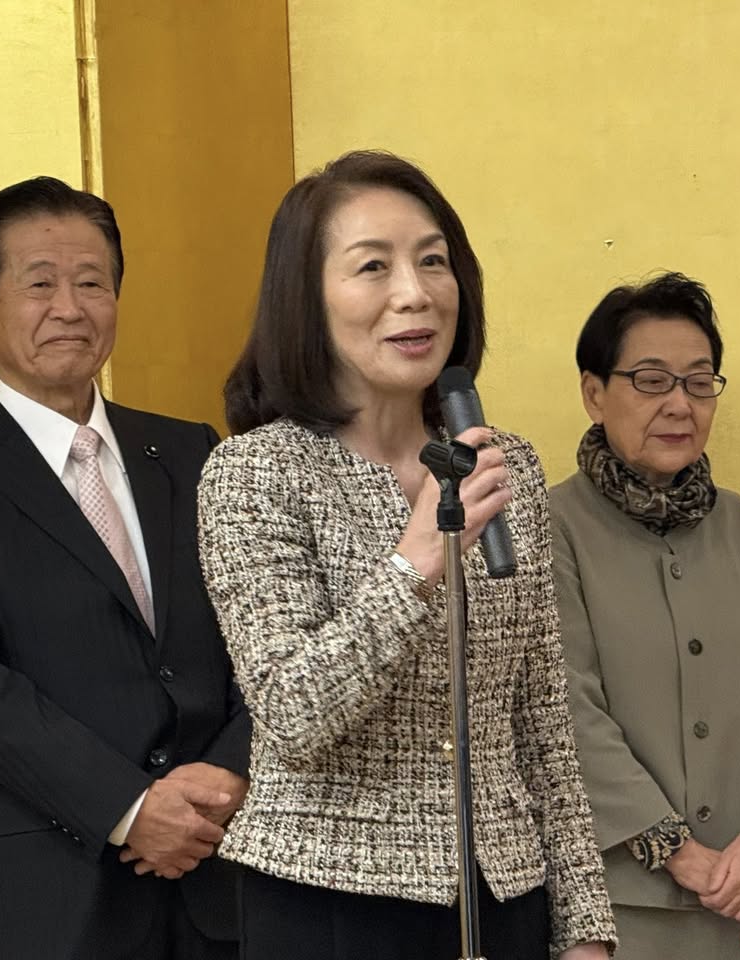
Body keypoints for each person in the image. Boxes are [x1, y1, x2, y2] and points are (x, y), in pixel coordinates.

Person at [195, 150, 615, 960]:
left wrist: (584, 929)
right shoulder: (255, 473)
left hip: (503, 895)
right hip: (328, 902)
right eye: (373, 267)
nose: (415, 292)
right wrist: (413, 565)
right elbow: (290, 714)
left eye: (432, 261)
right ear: (306, 299)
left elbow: (540, 723)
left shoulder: (505, 466)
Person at [0, 176, 250, 960]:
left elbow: (260, 638)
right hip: (58, 891)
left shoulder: (192, 452)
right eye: (39, 284)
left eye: (92, 284)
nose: (71, 309)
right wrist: (131, 808)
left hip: (223, 871)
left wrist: (220, 782)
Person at [548, 273, 740, 959]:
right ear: (594, 393)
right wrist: (676, 851)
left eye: (698, 382)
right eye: (652, 380)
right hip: (606, 903)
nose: (679, 404)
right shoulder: (551, 526)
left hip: (735, 898)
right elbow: (566, 707)